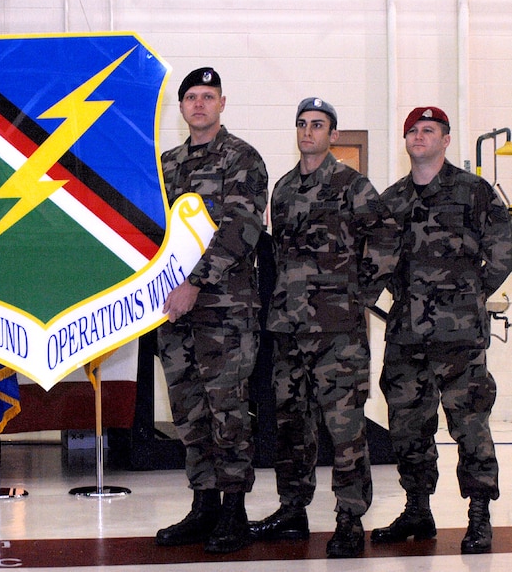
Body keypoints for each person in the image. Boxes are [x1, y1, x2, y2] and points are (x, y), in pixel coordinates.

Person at [249, 98, 398, 558]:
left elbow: (387, 237)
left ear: (333, 134)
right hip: (290, 330)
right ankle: (293, 510)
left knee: (345, 428)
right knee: (291, 426)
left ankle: (350, 519)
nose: (308, 132)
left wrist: (361, 293)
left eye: (318, 125)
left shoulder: (352, 185)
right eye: (302, 124)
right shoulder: (285, 188)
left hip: (338, 334)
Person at [374, 106, 512, 554]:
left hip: (460, 340)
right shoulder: (391, 200)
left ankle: (478, 515)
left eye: (428, 130)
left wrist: (469, 296)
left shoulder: (473, 192)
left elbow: (504, 250)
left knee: (470, 426)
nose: (418, 136)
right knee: (407, 428)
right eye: (412, 130)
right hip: (407, 337)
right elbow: (376, 263)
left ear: (446, 138)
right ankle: (418, 509)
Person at [154, 67, 268, 555]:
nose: (198, 104)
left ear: (222, 103)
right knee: (189, 412)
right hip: (174, 314)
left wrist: (194, 283)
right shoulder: (166, 163)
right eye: (191, 98)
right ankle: (203, 506)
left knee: (229, 413)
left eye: (208, 96)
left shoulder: (242, 158)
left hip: (226, 311)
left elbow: (242, 230)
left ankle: (234, 512)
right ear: (181, 108)